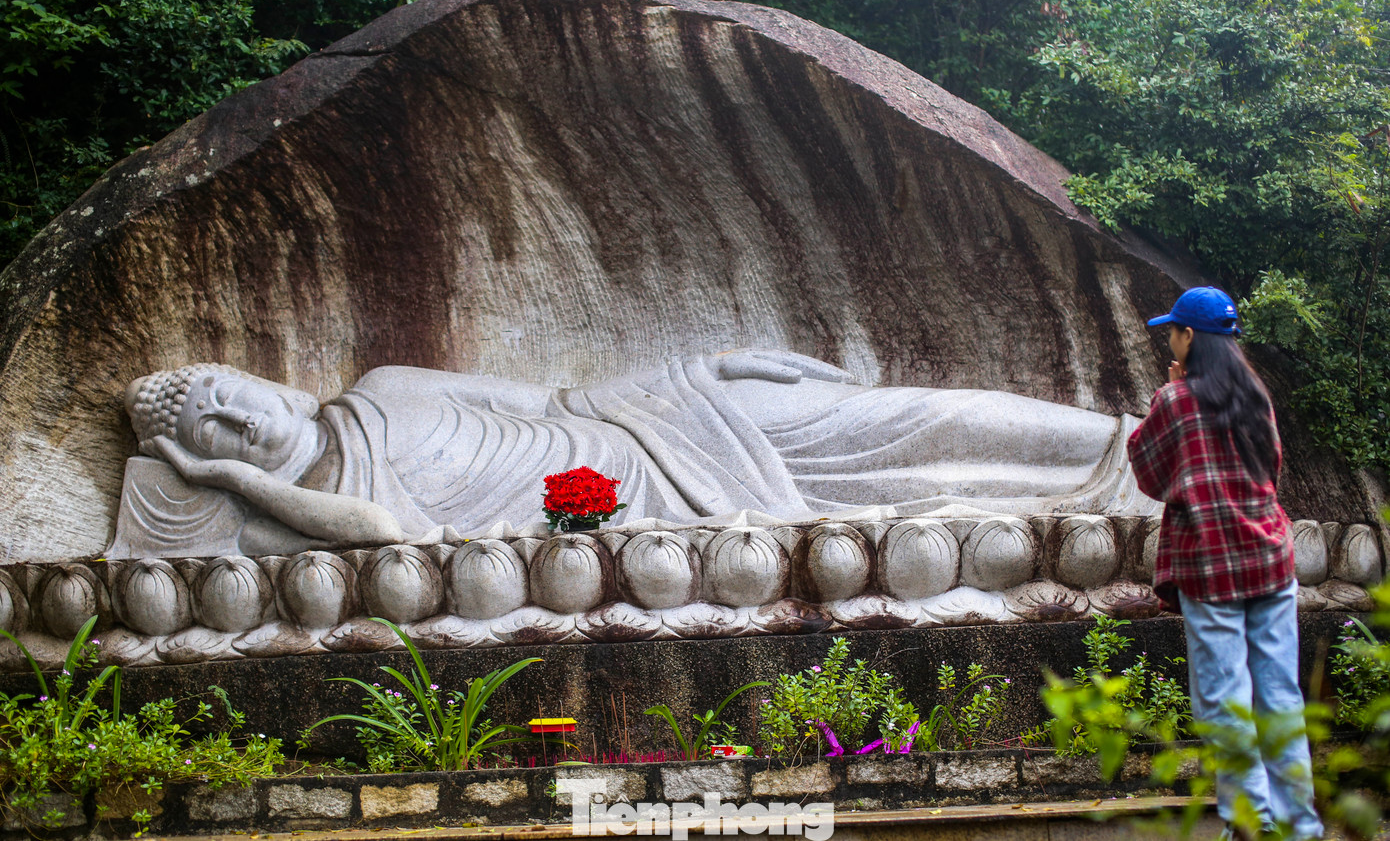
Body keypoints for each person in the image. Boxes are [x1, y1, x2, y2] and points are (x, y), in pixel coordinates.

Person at [111, 349, 1157, 558]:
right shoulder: (328, 512)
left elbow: (550, 395)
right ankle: (1093, 510)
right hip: (612, 510)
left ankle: (1127, 450)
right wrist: (231, 487)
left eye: (224, 395)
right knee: (912, 502)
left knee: (904, 418)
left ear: (254, 375)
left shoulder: (385, 387)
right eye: (211, 430)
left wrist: (706, 361)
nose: (238, 424)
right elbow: (388, 534)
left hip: (647, 428)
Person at [1127, 287, 1322, 841]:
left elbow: (1147, 470)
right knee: (1280, 695)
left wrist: (1170, 393)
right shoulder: (1256, 393)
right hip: (1269, 556)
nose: (1169, 338)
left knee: (1225, 699)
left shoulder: (1177, 400)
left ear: (1190, 338)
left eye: (1173, 331)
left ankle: (1252, 827)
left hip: (1211, 563)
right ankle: (1298, 826)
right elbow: (1271, 469)